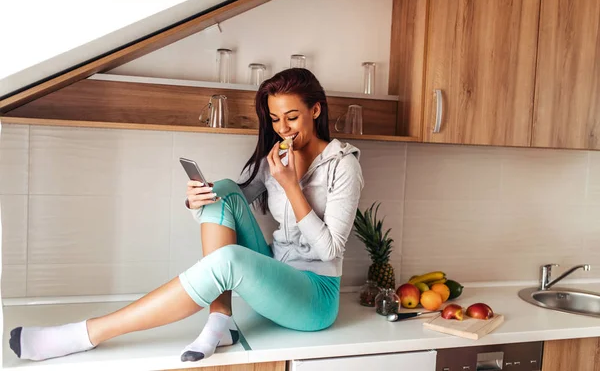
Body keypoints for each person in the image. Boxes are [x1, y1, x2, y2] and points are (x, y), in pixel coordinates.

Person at [8, 68, 364, 363]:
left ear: (315, 111)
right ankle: (220, 317)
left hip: (314, 297)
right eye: (274, 119)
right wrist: (197, 201)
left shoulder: (344, 166)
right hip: (276, 275)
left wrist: (291, 187)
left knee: (231, 260)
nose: (283, 129)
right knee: (221, 188)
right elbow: (235, 198)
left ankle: (85, 334)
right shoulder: (276, 158)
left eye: (292, 117)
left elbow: (330, 249)